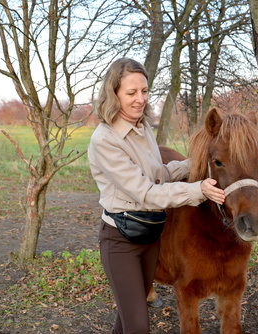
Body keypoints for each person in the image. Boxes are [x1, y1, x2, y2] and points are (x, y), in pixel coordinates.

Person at [87, 58, 225, 334]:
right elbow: (146, 193)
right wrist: (196, 191)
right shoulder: (105, 140)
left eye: (144, 91)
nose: (140, 99)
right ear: (112, 94)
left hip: (151, 236)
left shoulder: (143, 127)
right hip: (121, 241)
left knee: (126, 321)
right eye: (131, 93)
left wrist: (194, 163)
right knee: (138, 327)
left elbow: (159, 174)